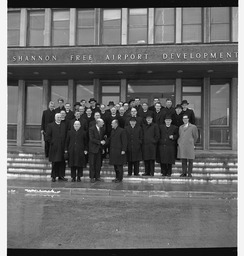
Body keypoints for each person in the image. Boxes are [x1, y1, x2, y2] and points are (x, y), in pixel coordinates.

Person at [46, 113, 68, 182]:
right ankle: (54, 176)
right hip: (54, 147)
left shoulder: (64, 125)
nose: (59, 118)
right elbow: (47, 137)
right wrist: (53, 142)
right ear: (55, 118)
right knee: (55, 163)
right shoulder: (50, 125)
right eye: (58, 117)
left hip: (62, 147)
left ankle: (61, 176)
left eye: (60, 117)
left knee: (62, 162)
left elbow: (66, 136)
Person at [88, 118, 106, 183]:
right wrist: (100, 142)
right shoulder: (91, 129)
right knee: (92, 164)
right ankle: (92, 177)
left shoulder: (102, 129)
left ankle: (97, 176)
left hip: (99, 149)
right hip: (93, 149)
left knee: (98, 164)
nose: (103, 124)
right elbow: (92, 139)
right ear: (98, 123)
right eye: (102, 123)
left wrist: (103, 147)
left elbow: (102, 138)